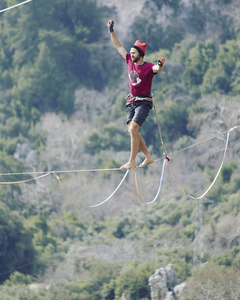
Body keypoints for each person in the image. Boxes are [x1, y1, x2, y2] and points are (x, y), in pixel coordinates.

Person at [107, 20, 165, 170]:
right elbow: (118, 46)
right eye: (131, 53)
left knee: (133, 129)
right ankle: (148, 156)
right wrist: (111, 30)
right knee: (132, 130)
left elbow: (156, 69)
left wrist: (160, 64)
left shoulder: (147, 67)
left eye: (133, 53)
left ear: (140, 54)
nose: (131, 54)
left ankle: (132, 161)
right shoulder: (129, 61)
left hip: (144, 102)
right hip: (131, 101)